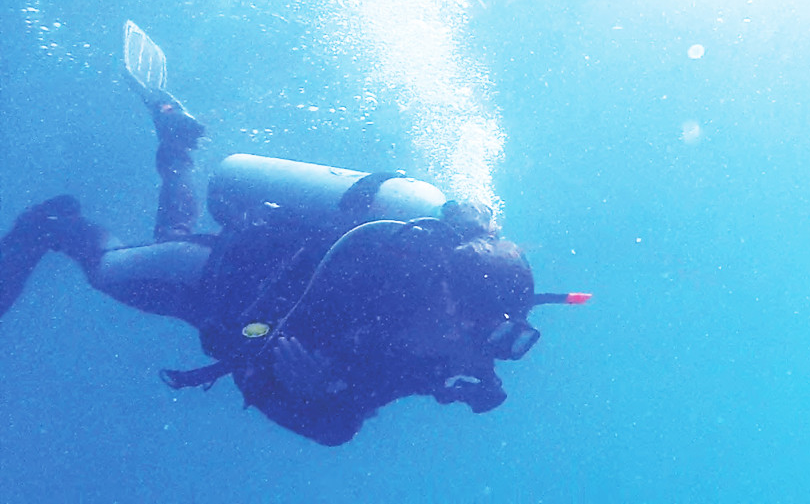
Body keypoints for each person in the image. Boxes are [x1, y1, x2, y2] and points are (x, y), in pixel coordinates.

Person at [0, 23, 587, 446]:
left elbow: (338, 428)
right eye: (481, 332)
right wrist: (291, 382)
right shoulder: (371, 275)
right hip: (219, 275)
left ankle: (175, 143)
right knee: (110, 268)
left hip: (224, 309)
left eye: (498, 337)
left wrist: (315, 391)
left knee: (167, 232)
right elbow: (258, 347)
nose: (483, 355)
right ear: (448, 301)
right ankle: (53, 224)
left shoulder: (435, 353)